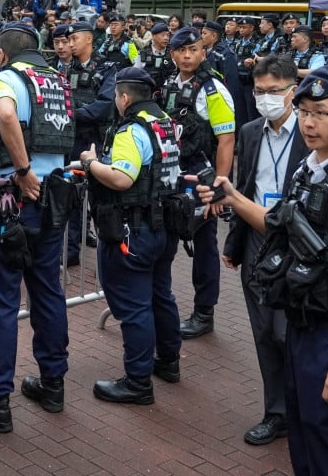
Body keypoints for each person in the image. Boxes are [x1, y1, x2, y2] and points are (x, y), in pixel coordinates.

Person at [202, 65, 328, 476]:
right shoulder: (311, 166)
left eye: (322, 113)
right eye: (305, 111)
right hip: (304, 322)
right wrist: (233, 197)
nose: (309, 122)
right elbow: (280, 223)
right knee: (304, 435)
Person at [0, 24, 74, 431]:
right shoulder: (57, 80)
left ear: (1, 55)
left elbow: (5, 113)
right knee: (47, 291)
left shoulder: (4, 77)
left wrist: (22, 170)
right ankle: (53, 384)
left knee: (3, 301)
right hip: (55, 197)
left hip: (16, 198)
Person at [80, 67, 182, 404]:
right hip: (164, 226)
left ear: (124, 97)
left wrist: (91, 163)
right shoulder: (164, 121)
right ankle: (167, 362)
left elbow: (122, 178)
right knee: (160, 296)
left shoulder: (130, 130)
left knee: (136, 308)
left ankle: (138, 382)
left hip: (133, 230)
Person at [222, 54, 308, 446]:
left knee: (288, 330)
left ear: (293, 91)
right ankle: (277, 412)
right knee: (264, 333)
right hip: (259, 237)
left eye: (274, 91)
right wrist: (234, 243)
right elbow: (243, 187)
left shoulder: (311, 130)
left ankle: (306, 409)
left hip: (301, 240)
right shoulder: (252, 130)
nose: (266, 98)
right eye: (259, 91)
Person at [160, 27, 236, 338]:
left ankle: (205, 312)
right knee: (165, 237)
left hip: (202, 174)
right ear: (173, 53)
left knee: (204, 243)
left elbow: (227, 139)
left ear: (203, 52)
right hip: (173, 172)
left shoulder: (213, 88)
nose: (188, 55)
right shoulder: (170, 83)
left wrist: (219, 185)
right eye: (181, 50)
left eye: (194, 49)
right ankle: (162, 302)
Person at [64, 21, 118, 263]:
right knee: (72, 195)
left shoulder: (108, 68)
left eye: (74, 38)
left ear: (88, 39)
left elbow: (103, 106)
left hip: (96, 140)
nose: (69, 44)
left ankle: (109, 253)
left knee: (99, 198)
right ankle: (71, 251)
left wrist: (72, 114)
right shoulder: (68, 68)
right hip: (73, 140)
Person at [135, 22, 176, 88]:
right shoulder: (143, 53)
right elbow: (135, 74)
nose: (166, 38)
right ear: (153, 36)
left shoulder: (172, 52)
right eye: (163, 35)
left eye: (168, 35)